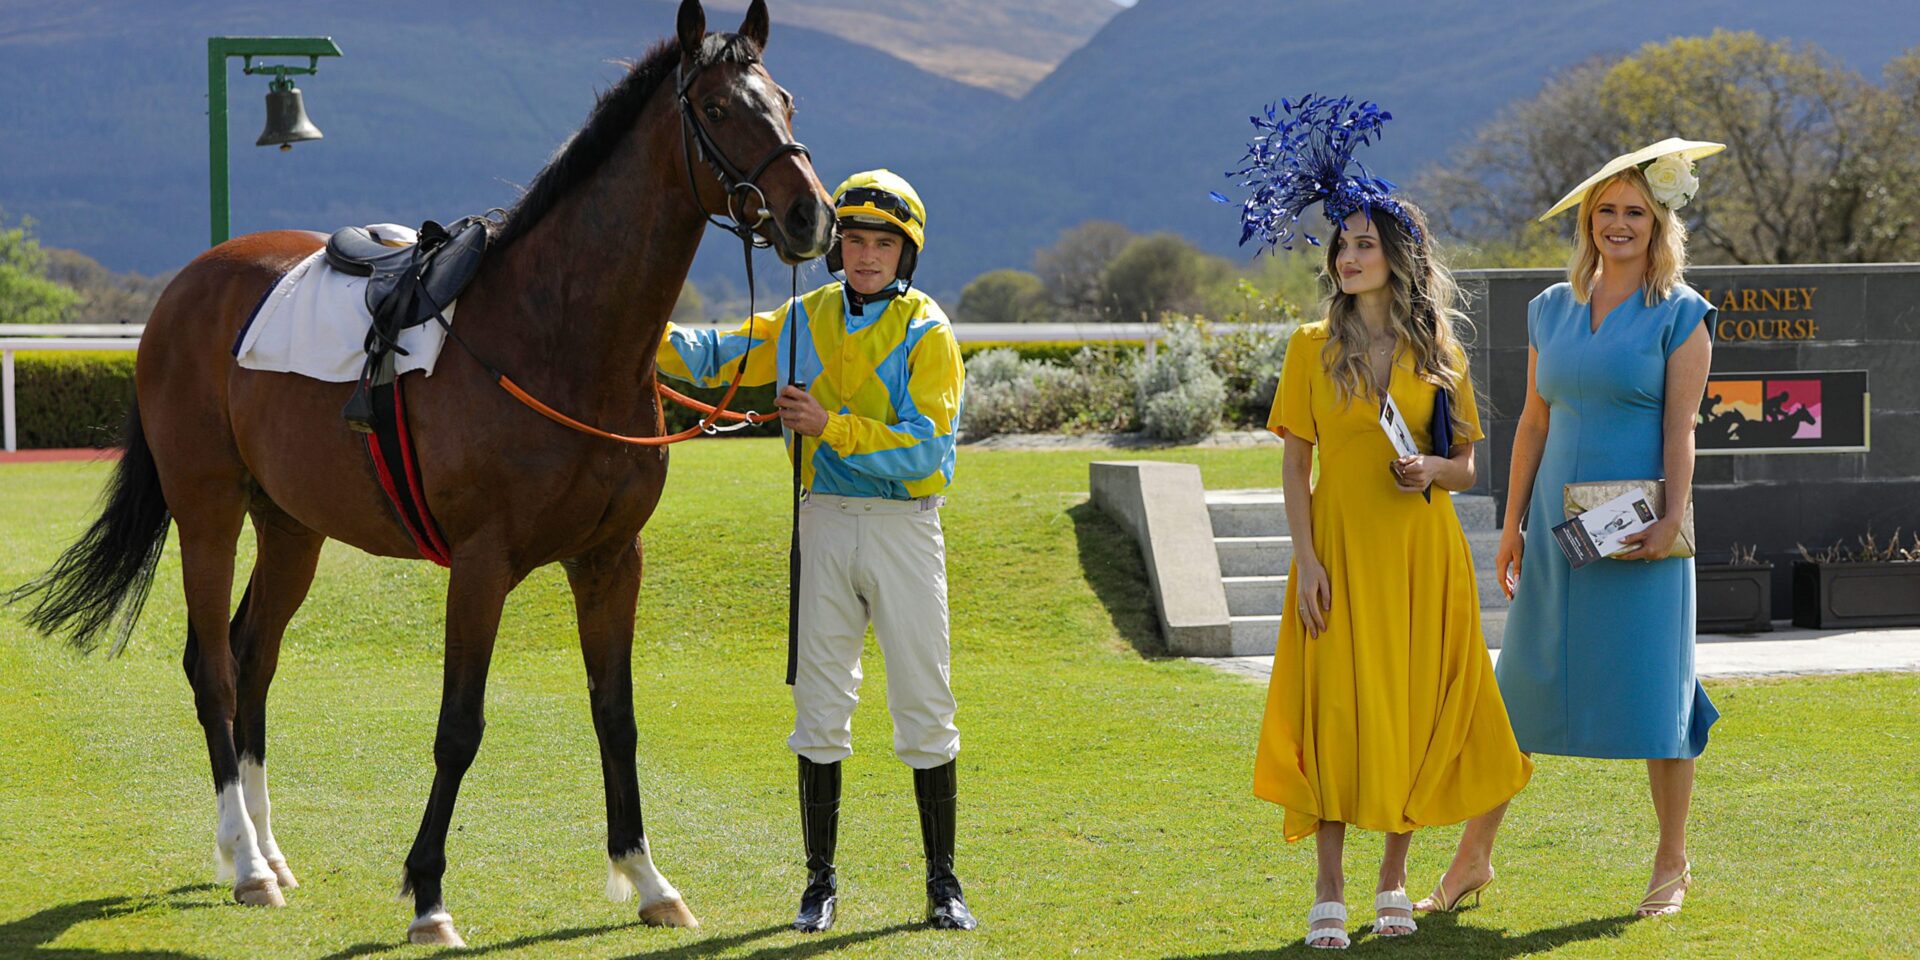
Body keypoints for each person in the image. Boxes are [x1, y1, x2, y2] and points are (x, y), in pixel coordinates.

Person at [1224, 96, 1532, 950]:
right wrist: (1307, 561)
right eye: (1342, 245)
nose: (1349, 257)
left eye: (1365, 244)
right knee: (1335, 711)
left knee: (1409, 710)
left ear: (1398, 257)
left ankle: (1393, 879)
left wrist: (1431, 470)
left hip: (1420, 557)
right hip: (1338, 551)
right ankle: (1328, 886)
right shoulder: (1308, 346)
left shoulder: (1440, 352)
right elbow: (1296, 465)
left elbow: (1466, 468)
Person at [655, 169, 975, 933]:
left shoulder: (929, 331)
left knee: (925, 705)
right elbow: (712, 354)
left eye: (883, 245)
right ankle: (819, 884)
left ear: (906, 253)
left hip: (904, 527)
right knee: (820, 707)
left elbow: (929, 453)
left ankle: (943, 885)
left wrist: (830, 427)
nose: (867, 256)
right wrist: (630, 319)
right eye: (855, 241)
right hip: (822, 522)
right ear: (835, 248)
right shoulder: (801, 317)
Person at [1417, 139, 1722, 920]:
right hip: (1558, 535)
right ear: (1587, 222)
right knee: (1519, 693)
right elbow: (1531, 423)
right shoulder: (1549, 309)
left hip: (1640, 536)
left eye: (1635, 213)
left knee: (1660, 695)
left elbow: (1682, 428)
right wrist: (1511, 525)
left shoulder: (1683, 314)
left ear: (1659, 224)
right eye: (1605, 211)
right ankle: (1472, 858)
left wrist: (1672, 518)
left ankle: (1672, 862)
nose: (1618, 224)